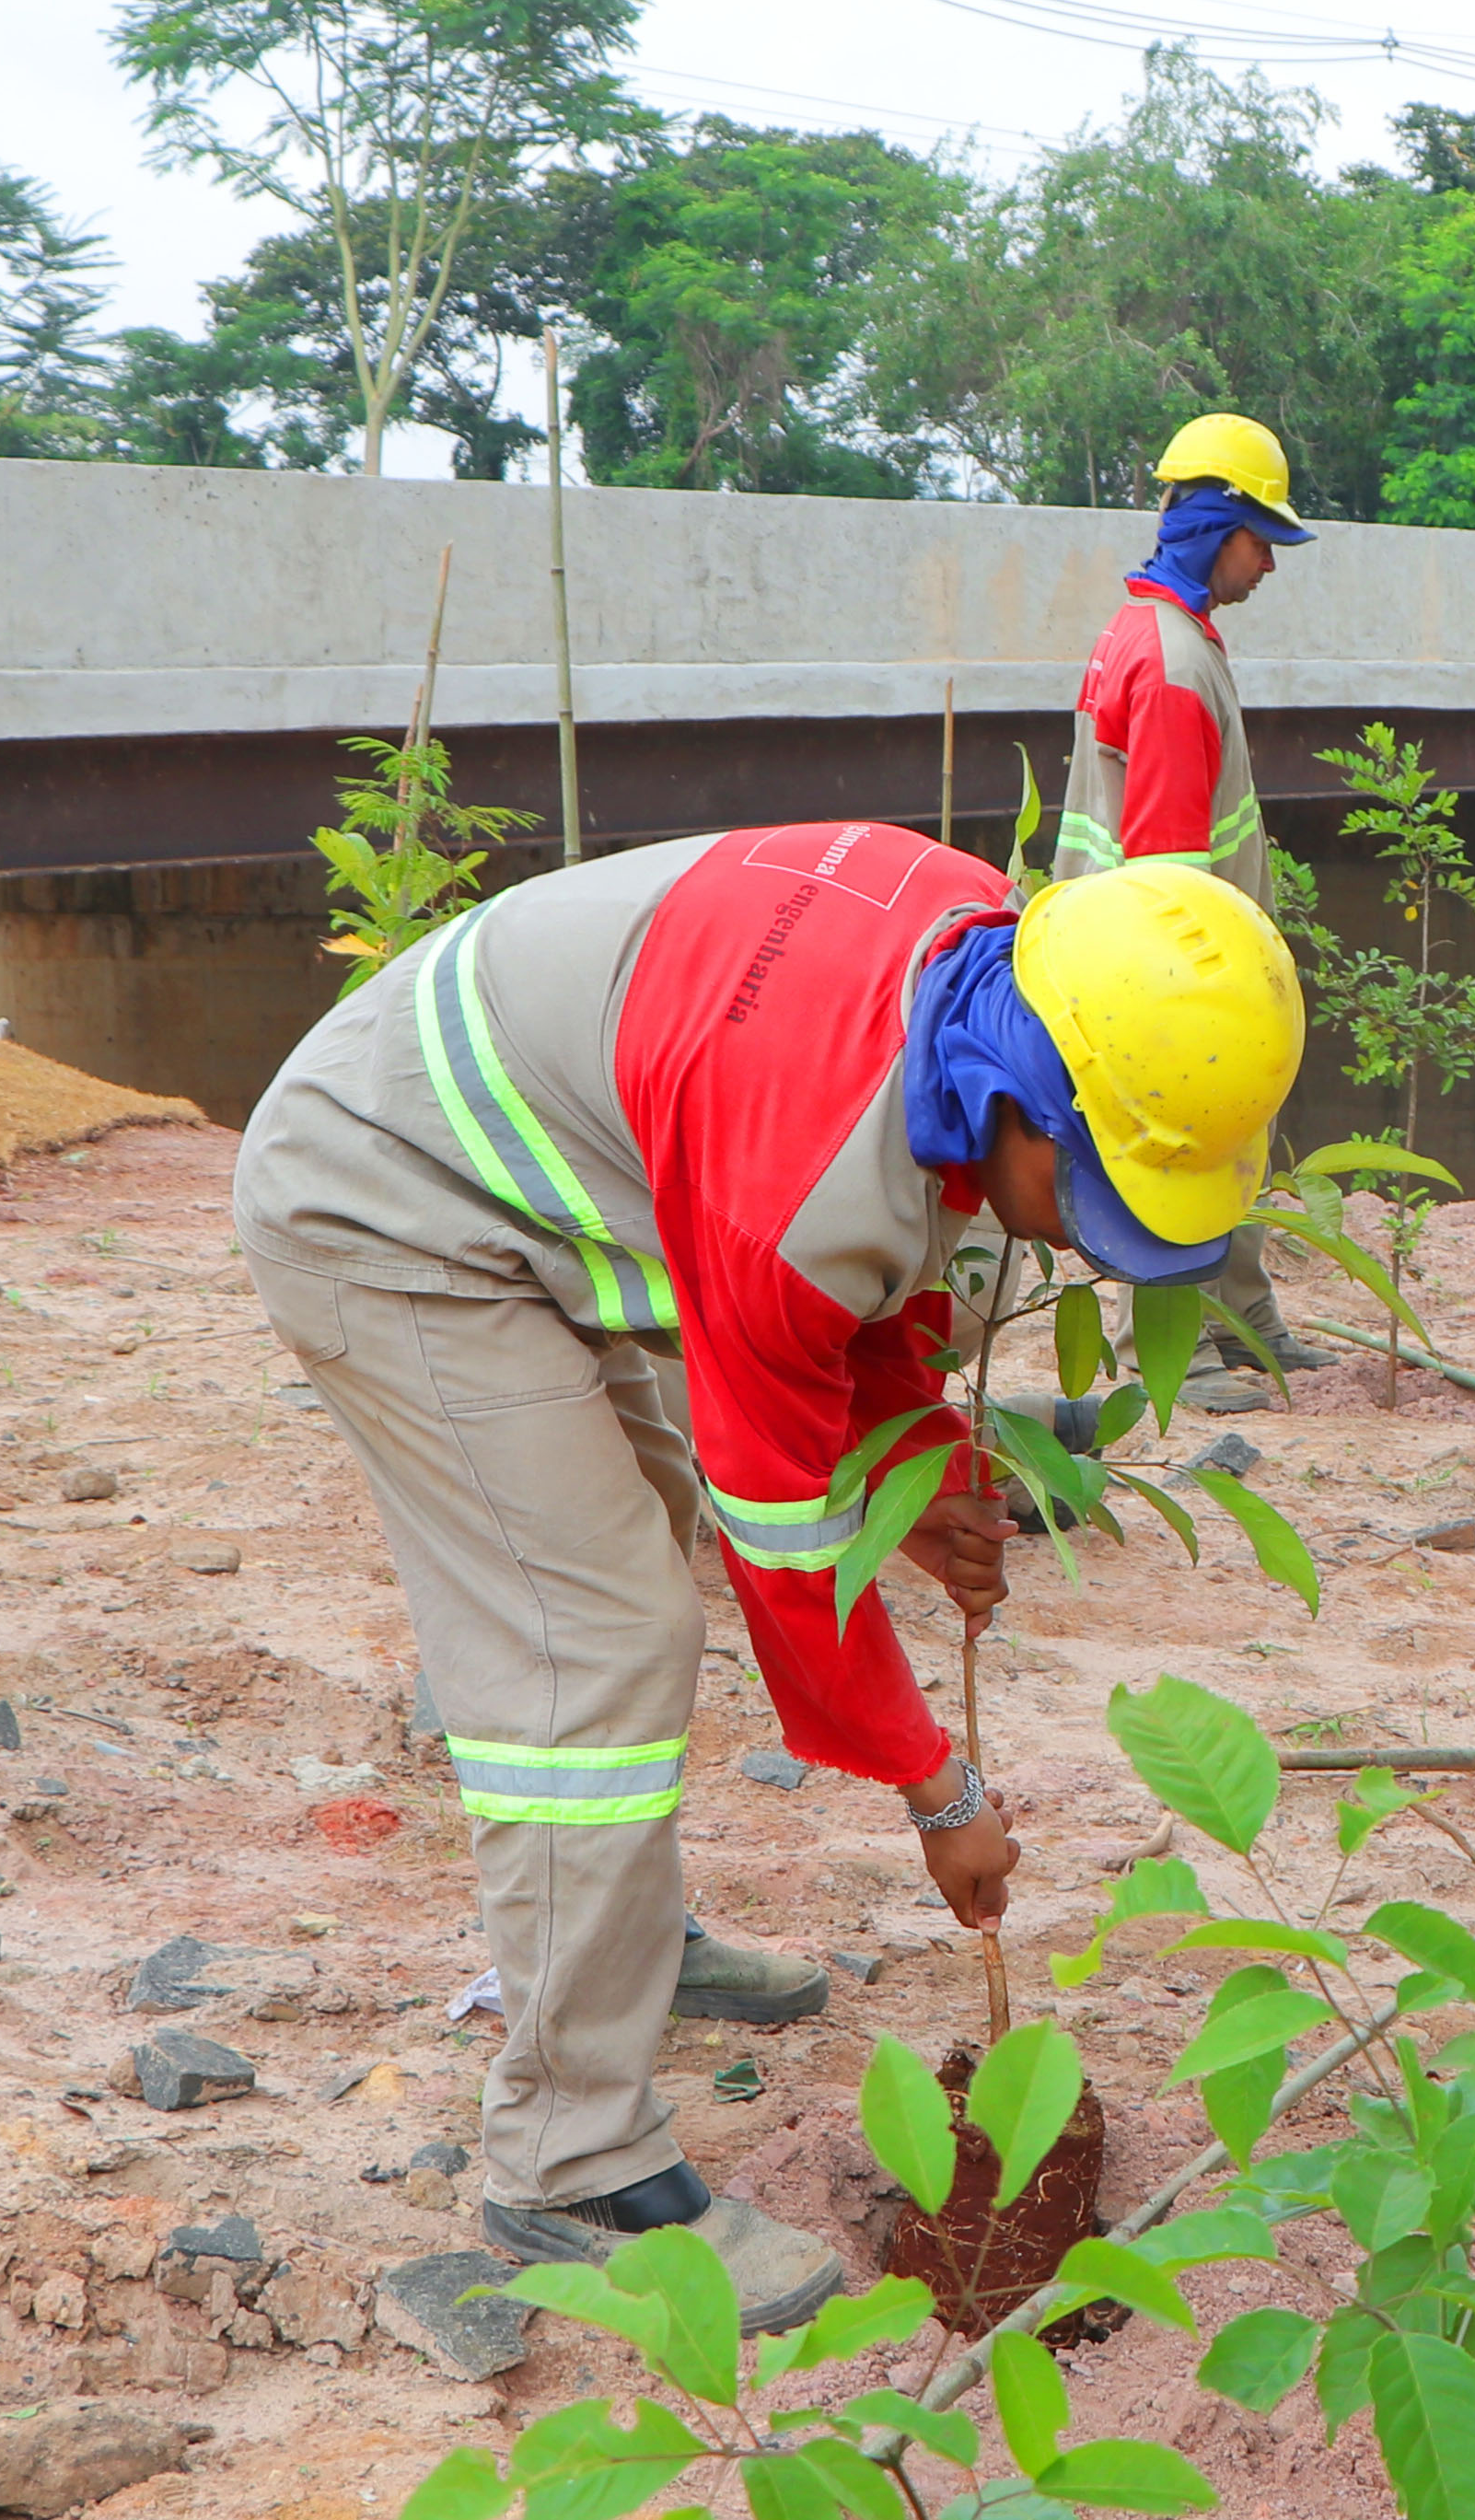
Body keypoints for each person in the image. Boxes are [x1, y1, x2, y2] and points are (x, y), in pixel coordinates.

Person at [232, 834, 1301, 2328]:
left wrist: (923, 1472)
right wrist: (940, 1791)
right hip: (389, 1204)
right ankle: (571, 2160)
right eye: (1099, 1186)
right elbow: (789, 1549)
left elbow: (878, 1283)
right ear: (1020, 1103)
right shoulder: (798, 1176)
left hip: (545, 1158)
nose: (1089, 1234)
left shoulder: (995, 967)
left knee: (643, 1510)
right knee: (597, 1633)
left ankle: (624, 1947)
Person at [1051, 408, 1307, 1368]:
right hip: (1166, 962)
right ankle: (1169, 1350)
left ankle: (1242, 1321)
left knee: (1231, 1136)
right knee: (1179, 1140)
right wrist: (1201, 992)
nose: (1269, 563)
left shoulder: (1156, 634)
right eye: (1260, 540)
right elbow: (1167, 873)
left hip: (1129, 940)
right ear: (1214, 529)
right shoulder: (1170, 664)